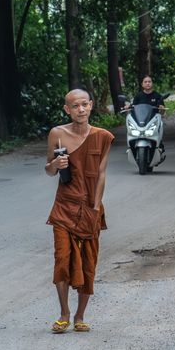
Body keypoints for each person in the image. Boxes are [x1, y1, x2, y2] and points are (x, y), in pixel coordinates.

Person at [45, 89, 115, 334]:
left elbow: (102, 174)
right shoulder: (57, 134)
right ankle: (64, 314)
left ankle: (80, 316)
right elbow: (48, 170)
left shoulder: (103, 136)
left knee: (88, 262)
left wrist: (95, 208)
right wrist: (55, 164)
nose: (81, 109)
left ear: (91, 105)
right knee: (62, 259)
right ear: (67, 109)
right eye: (75, 106)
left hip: (90, 208)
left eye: (84, 104)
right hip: (64, 207)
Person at [123, 75, 167, 154]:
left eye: (149, 82)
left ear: (152, 83)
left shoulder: (157, 96)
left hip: (153, 119)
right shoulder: (138, 96)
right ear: (142, 84)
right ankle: (131, 145)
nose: (147, 83)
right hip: (141, 119)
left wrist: (162, 108)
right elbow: (132, 108)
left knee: (161, 124)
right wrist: (128, 107)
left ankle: (160, 145)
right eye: (145, 82)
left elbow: (162, 112)